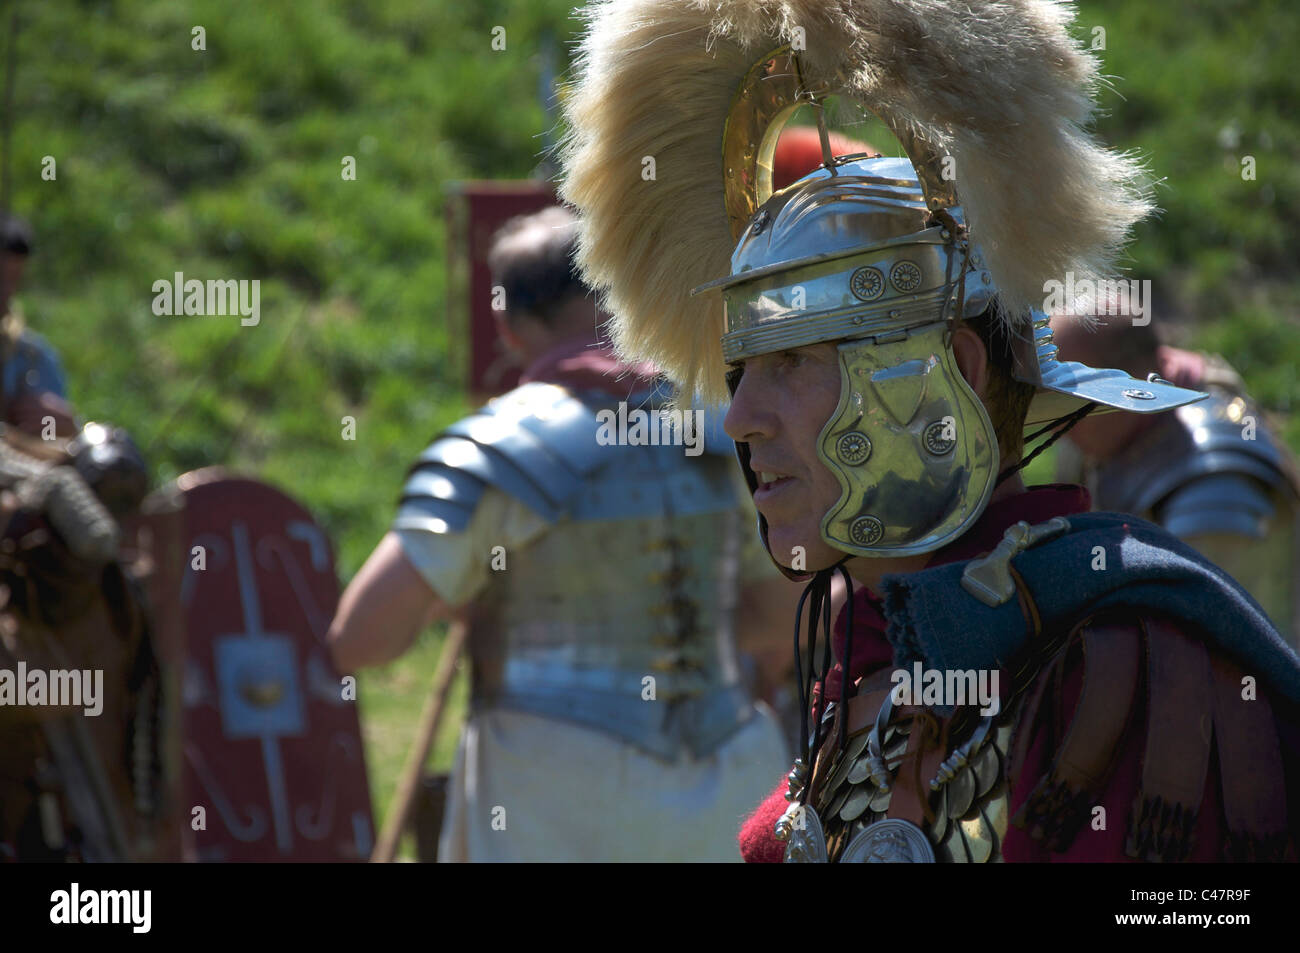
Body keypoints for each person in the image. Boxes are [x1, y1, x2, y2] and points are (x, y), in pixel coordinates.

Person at [558, 0, 1300, 863]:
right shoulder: (869, 658)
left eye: (794, 363)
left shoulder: (1123, 674)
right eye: (740, 372)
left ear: (951, 370)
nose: (740, 418)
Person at [327, 205, 795, 862]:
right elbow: (778, 616)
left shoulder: (499, 447)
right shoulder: (722, 426)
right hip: (727, 778)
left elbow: (361, 639)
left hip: (551, 790)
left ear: (509, 324)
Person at [1051, 314, 1300, 648]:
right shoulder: (1100, 430)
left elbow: (1223, 651)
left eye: (1072, 396)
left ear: (1129, 382)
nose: (1056, 423)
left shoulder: (1214, 482)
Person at [0, 214, 77, 437]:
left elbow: (60, 441)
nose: (5, 292)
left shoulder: (33, 357)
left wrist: (69, 429)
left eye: (12, 279)